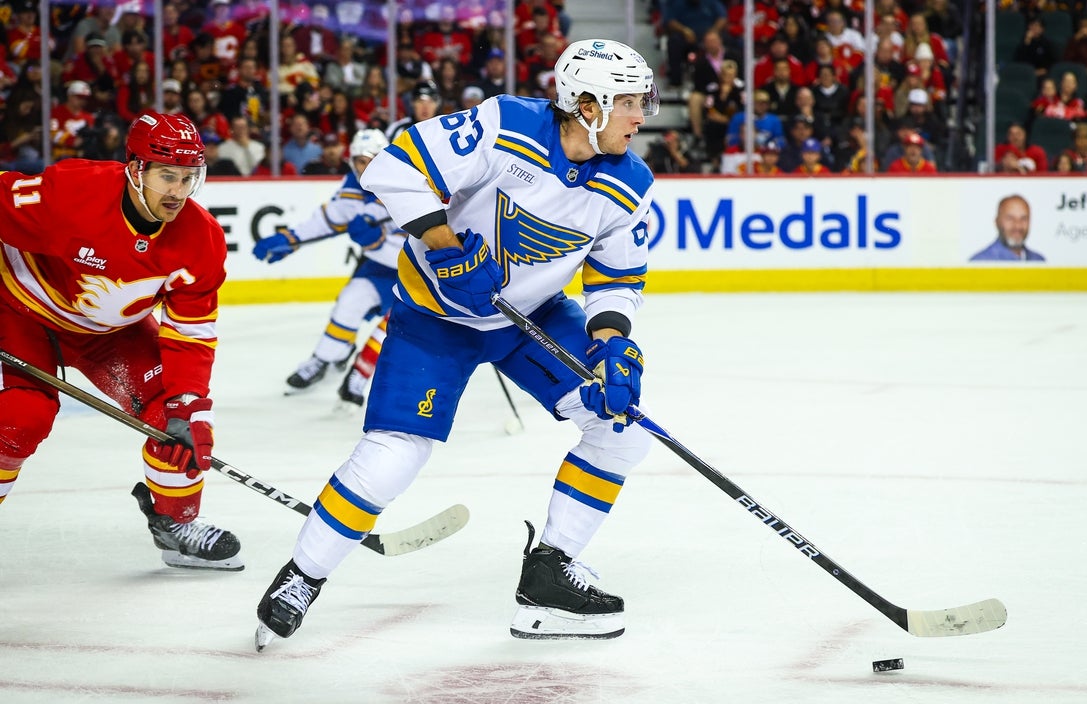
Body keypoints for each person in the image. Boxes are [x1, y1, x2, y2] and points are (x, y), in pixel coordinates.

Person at [255, 38, 659, 650]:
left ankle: (548, 575)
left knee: (621, 427)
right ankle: (301, 576)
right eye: (628, 102)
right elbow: (394, 168)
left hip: (532, 318)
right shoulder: (506, 124)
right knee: (393, 457)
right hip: (434, 319)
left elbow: (617, 279)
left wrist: (612, 344)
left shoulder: (631, 181)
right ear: (586, 104)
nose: (641, 116)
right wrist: (447, 250)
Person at [0, 112, 243, 571]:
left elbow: (191, 332)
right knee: (21, 418)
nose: (178, 192)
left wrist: (186, 404)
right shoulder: (75, 191)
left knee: (181, 422)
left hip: (109, 335)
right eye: (167, 176)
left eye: (188, 178)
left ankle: (175, 525)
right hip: (22, 311)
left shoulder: (201, 239)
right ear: (135, 169)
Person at [252, 129, 405, 407]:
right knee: (350, 301)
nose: (366, 168)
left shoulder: (406, 181)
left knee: (398, 327)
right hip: (379, 267)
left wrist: (379, 242)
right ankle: (326, 358)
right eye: (360, 161)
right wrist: (290, 239)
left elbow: (424, 241)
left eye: (372, 160)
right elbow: (326, 221)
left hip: (417, 272)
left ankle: (361, 375)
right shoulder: (352, 189)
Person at [970, 195, 1044, 262]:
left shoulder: (1039, 262)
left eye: (1023, 218)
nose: (1017, 226)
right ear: (997, 222)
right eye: (1010, 218)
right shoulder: (980, 263)